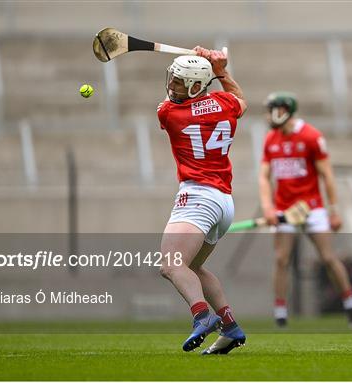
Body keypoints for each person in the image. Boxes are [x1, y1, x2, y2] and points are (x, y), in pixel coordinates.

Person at [157, 46, 248, 354]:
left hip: (197, 197)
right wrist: (220, 69)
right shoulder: (225, 103)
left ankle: (202, 315)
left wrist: (207, 66)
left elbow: (171, 104)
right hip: (224, 202)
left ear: (196, 86)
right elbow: (241, 101)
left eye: (179, 81)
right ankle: (230, 326)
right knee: (192, 267)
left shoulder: (169, 113)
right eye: (173, 78)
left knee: (171, 264)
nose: (172, 85)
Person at [258, 92, 352, 329]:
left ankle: (350, 305)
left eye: (272, 109)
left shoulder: (311, 136)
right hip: (285, 209)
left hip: (312, 208)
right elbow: (264, 177)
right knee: (281, 259)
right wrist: (268, 207)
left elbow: (327, 175)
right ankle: (281, 313)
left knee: (327, 258)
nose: (268, 115)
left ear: (285, 110)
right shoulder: (270, 139)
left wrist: (333, 210)